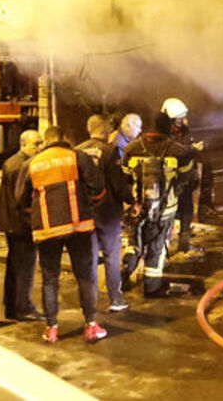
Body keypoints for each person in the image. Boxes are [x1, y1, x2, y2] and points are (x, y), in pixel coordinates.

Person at [23, 125, 107, 343]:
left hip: (47, 229)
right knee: (85, 276)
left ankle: (51, 329)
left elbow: (20, 199)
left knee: (50, 279)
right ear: (64, 138)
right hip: (78, 227)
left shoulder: (32, 163)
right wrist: (90, 204)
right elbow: (98, 188)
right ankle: (90, 325)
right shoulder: (77, 157)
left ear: (45, 141)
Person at [123, 112, 196, 297]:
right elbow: (187, 177)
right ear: (169, 127)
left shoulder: (131, 148)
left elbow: (124, 178)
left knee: (134, 243)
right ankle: (152, 286)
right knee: (157, 246)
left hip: (137, 208)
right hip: (165, 209)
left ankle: (122, 275)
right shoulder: (179, 150)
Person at [77, 114, 134, 313]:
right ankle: (116, 299)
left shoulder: (76, 151)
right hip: (108, 212)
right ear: (104, 130)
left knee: (89, 257)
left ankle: (89, 302)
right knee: (111, 255)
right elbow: (118, 184)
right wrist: (132, 200)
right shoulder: (109, 152)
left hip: (84, 212)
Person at [0, 129, 43, 321]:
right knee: (24, 267)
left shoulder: (13, 162)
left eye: (41, 143)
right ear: (23, 144)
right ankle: (23, 307)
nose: (40, 148)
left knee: (15, 266)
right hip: (20, 223)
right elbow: (21, 199)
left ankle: (12, 305)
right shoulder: (22, 165)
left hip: (12, 222)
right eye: (36, 144)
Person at [160, 97, 209, 252]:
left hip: (185, 182)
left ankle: (184, 245)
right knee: (167, 215)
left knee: (186, 212)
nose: (183, 121)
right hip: (169, 183)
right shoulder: (163, 136)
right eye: (179, 118)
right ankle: (163, 247)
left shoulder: (184, 132)